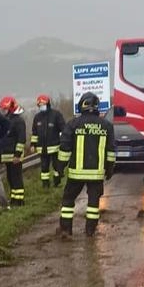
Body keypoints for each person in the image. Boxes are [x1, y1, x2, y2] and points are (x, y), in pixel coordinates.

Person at [56, 92, 116, 237]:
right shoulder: (106, 125)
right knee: (93, 204)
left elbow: (64, 148)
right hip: (96, 174)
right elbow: (111, 151)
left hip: (76, 174)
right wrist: (109, 169)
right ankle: (90, 231)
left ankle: (65, 230)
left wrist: (59, 169)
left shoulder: (73, 124)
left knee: (68, 201)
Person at [30, 94, 66, 189]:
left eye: (42, 104)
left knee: (56, 166)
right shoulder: (37, 117)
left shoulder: (56, 115)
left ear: (48, 103)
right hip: (42, 147)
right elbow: (34, 132)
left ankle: (57, 182)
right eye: (39, 105)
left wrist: (63, 142)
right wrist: (33, 144)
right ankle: (45, 184)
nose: (41, 106)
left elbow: (63, 129)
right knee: (44, 167)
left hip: (55, 146)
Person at [0, 96, 27, 206]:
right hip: (7, 155)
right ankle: (14, 199)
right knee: (10, 178)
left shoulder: (18, 121)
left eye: (4, 108)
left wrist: (17, 155)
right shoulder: (7, 120)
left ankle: (19, 200)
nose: (3, 111)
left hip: (15, 156)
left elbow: (21, 139)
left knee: (16, 178)